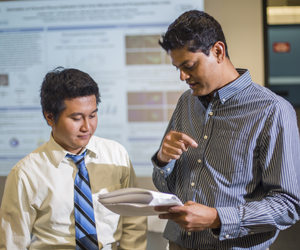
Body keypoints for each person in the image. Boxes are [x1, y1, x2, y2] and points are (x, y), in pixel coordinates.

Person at [152, 10, 300, 250]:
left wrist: (217, 218)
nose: (182, 76)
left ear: (218, 51)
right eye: (177, 67)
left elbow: (288, 205)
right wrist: (163, 160)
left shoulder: (273, 110)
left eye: (189, 66)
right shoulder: (185, 103)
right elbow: (166, 187)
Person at [0, 67, 147, 250]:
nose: (87, 127)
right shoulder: (25, 173)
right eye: (77, 118)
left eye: (92, 115)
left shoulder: (116, 154)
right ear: (50, 117)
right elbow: (14, 241)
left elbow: (134, 219)